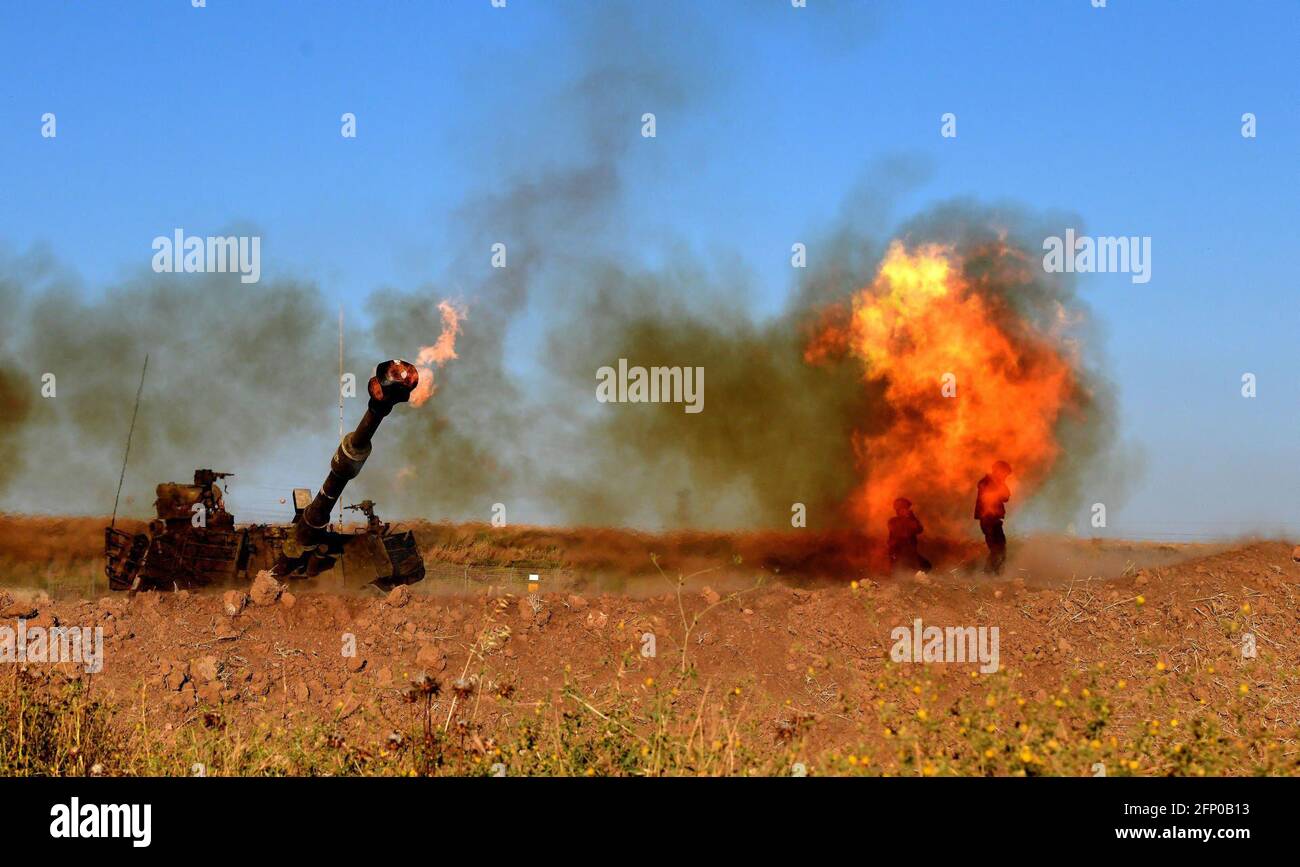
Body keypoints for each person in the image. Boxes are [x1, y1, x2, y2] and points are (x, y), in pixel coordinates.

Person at [974, 461, 1012, 574]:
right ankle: (988, 575)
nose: (1005, 476)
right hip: (988, 520)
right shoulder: (986, 482)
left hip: (994, 520)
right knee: (997, 550)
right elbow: (993, 495)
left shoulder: (997, 482)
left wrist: (1000, 483)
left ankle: (993, 575)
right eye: (1004, 473)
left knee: (1000, 549)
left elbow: (1006, 497)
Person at [887, 497, 932, 574]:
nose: (907, 510)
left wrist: (911, 517)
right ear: (899, 510)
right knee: (901, 572)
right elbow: (900, 535)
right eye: (905, 509)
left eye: (907, 509)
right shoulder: (893, 521)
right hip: (899, 554)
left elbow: (919, 529)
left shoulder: (910, 519)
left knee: (926, 566)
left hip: (910, 553)